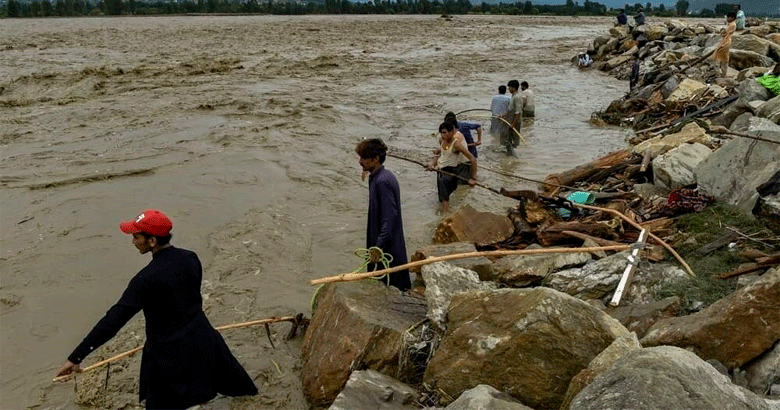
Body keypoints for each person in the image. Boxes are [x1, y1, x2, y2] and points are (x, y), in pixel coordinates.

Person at [55, 210, 258, 409]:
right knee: (241, 394)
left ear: (152, 241)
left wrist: (76, 357)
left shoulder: (145, 280)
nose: (133, 242)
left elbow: (113, 321)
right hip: (205, 341)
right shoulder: (190, 258)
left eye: (136, 237)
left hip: (169, 357)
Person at [356, 139, 412, 291]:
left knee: (389, 284)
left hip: (387, 245)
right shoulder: (378, 176)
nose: (360, 161)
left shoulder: (382, 182)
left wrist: (378, 246)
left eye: (364, 158)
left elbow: (389, 217)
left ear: (376, 159)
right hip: (383, 238)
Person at [427, 122, 477, 213]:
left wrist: (473, 178)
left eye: (445, 132)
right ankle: (445, 214)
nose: (442, 135)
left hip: (450, 173)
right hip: (441, 172)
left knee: (445, 200)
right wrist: (432, 164)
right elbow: (440, 155)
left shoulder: (456, 144)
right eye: (441, 133)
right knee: (442, 199)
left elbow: (472, 159)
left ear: (451, 132)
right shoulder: (443, 142)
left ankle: (443, 218)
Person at [712, 11, 737, 77]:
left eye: (729, 17)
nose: (727, 19)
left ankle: (720, 73)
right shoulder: (730, 24)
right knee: (723, 57)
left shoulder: (732, 25)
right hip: (725, 41)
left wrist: (722, 32)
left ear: (732, 18)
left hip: (725, 42)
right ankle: (722, 73)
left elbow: (724, 33)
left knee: (719, 57)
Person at [503, 80, 523, 152]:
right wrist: (504, 115)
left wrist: (513, 124)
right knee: (508, 138)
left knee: (513, 139)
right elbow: (511, 109)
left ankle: (512, 155)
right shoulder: (513, 96)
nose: (508, 89)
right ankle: (509, 152)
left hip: (514, 122)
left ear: (513, 88)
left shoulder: (517, 97)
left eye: (509, 87)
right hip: (510, 121)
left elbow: (518, 112)